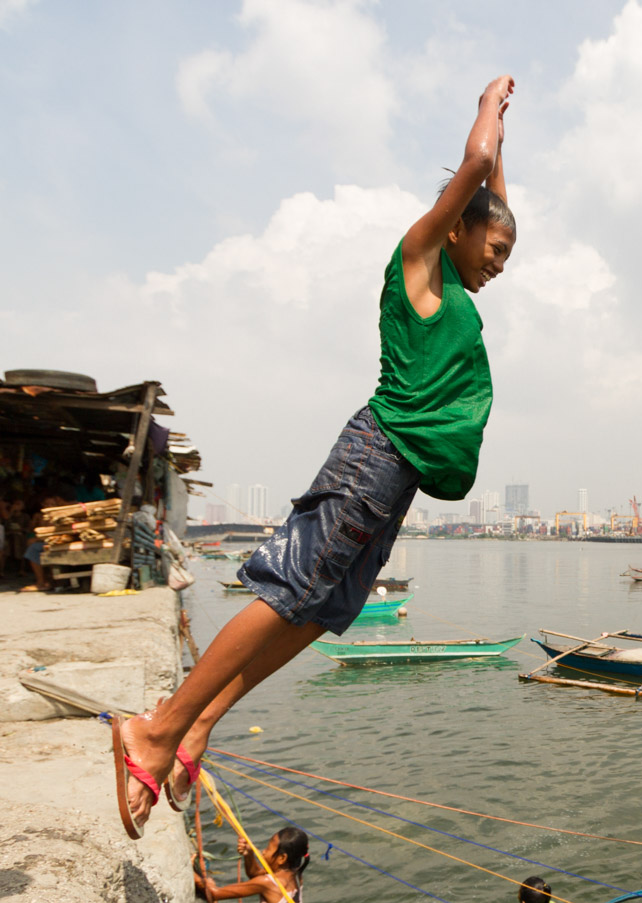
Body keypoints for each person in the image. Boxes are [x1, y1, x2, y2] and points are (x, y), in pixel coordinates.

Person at [111, 73, 518, 838]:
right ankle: (157, 729)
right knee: (287, 587)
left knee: (324, 609)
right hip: (374, 456)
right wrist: (488, 114)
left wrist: (502, 160)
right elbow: (474, 175)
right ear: (458, 229)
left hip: (396, 480)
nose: (500, 262)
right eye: (494, 247)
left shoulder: (461, 282)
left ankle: (200, 726)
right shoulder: (420, 262)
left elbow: (492, 191)